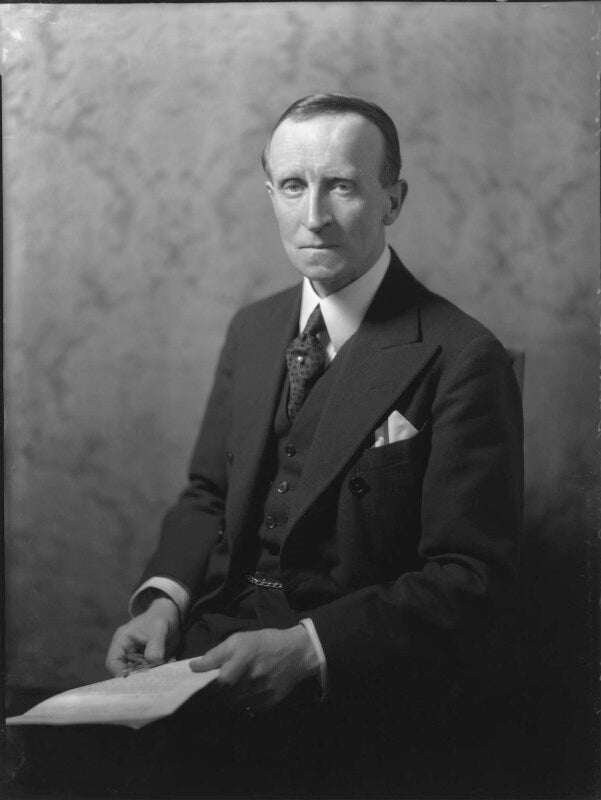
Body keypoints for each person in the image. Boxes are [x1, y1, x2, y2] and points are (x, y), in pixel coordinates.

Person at [103, 93, 524, 794]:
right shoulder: (253, 329)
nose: (314, 216)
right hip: (203, 653)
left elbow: (469, 577)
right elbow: (208, 493)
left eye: (343, 186)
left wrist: (307, 650)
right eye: (294, 185)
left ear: (393, 200)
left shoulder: (462, 355)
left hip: (351, 687)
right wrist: (164, 604)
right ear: (270, 192)